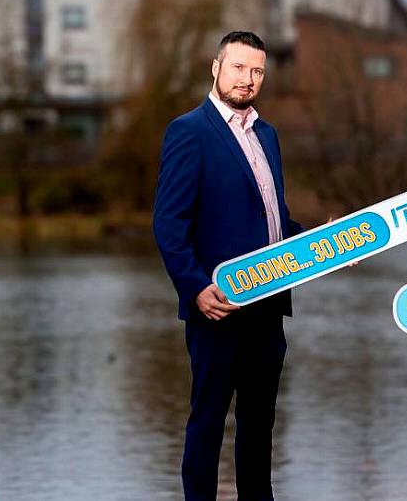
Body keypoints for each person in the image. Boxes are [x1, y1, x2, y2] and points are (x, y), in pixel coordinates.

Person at [153, 30, 303, 500]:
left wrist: (325, 243)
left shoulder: (267, 135)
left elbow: (273, 220)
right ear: (216, 68)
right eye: (238, 68)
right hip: (218, 306)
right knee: (208, 423)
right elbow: (168, 224)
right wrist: (196, 288)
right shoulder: (190, 131)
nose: (248, 79)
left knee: (259, 429)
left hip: (269, 306)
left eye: (257, 71)